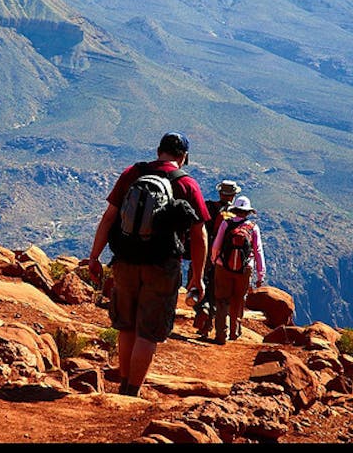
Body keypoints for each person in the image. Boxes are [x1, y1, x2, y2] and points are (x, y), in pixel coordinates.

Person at [88, 132, 210, 397]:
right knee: (148, 332)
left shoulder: (133, 173)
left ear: (158, 151)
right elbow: (199, 234)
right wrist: (197, 276)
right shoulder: (187, 184)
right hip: (162, 266)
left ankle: (122, 385)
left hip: (125, 260)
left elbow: (109, 217)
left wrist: (94, 256)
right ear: (184, 157)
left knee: (127, 326)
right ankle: (132, 393)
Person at [209, 195, 265, 344]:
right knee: (238, 300)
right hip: (244, 270)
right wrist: (261, 275)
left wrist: (215, 260)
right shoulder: (253, 228)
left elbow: (216, 245)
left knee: (221, 300)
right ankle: (235, 331)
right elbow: (258, 251)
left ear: (235, 210)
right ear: (247, 212)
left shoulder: (226, 224)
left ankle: (220, 334)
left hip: (223, 268)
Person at [192, 180, 241, 338]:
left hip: (206, 252)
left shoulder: (209, 207)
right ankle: (208, 326)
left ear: (220, 193)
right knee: (216, 290)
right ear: (233, 195)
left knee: (196, 281)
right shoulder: (236, 214)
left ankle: (202, 309)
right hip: (225, 259)